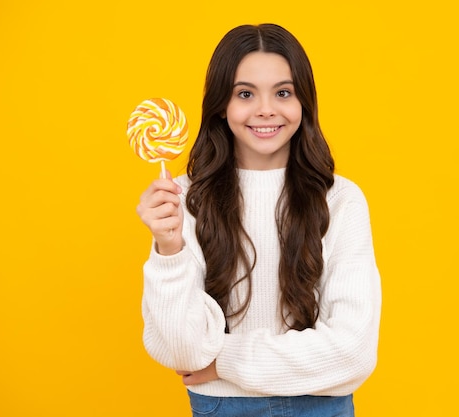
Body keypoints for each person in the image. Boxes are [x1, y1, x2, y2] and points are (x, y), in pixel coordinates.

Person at [136, 23, 382, 417]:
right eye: (245, 94)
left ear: (304, 102)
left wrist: (223, 361)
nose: (266, 109)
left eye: (283, 92)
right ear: (221, 104)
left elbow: (353, 352)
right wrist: (169, 249)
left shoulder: (340, 200)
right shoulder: (184, 199)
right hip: (221, 407)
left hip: (322, 408)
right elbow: (181, 351)